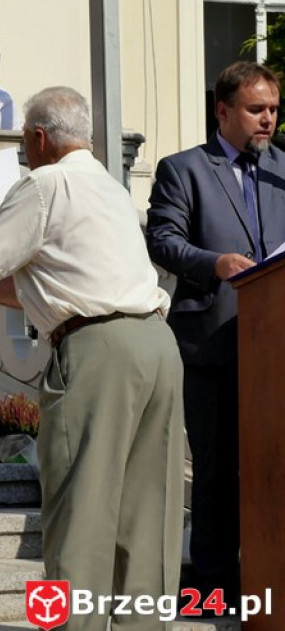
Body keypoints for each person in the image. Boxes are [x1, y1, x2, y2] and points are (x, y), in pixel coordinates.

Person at [0, 87, 184, 630]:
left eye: (24, 141)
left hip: (98, 351)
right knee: (148, 513)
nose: (24, 150)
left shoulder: (44, 183)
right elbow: (42, 286)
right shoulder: (108, 186)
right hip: (157, 345)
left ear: (39, 138)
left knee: (80, 510)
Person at [146, 61, 285, 605]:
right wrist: (215, 262)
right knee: (216, 470)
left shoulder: (282, 169)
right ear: (222, 110)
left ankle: (269, 577)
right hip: (212, 340)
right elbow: (162, 240)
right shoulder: (184, 169)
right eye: (256, 110)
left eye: (273, 109)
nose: (268, 120)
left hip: (275, 345)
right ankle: (214, 584)